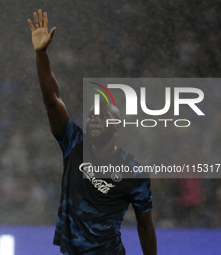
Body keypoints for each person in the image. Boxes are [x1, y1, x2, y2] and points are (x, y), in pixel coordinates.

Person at [27, 9, 157, 255]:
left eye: (103, 115)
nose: (95, 118)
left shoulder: (134, 172)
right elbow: (52, 100)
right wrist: (41, 54)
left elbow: (145, 226)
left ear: (117, 125)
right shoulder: (74, 143)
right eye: (92, 114)